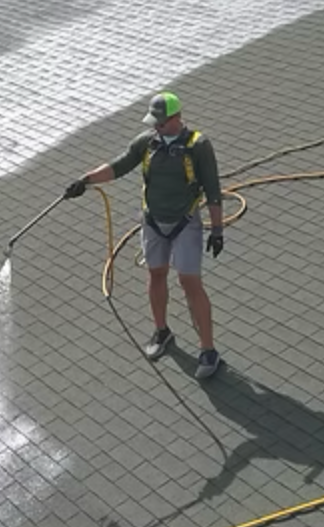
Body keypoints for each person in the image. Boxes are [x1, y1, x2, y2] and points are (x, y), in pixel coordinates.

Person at [64, 92, 225, 379]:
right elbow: (119, 165)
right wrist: (85, 181)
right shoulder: (146, 143)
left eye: (161, 123)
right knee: (156, 274)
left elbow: (213, 190)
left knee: (190, 282)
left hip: (185, 223)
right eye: (155, 123)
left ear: (176, 119)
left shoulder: (198, 146)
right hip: (153, 222)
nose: (157, 127)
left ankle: (208, 350)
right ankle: (162, 332)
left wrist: (217, 230)